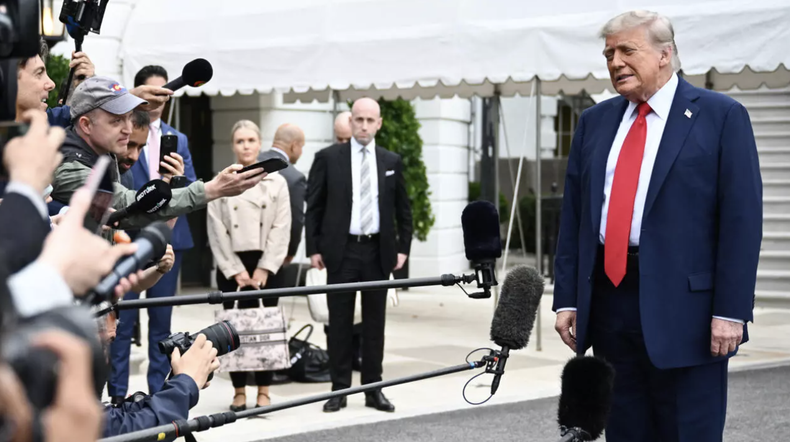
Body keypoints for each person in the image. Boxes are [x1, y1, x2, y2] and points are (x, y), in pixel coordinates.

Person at [552, 10, 762, 442]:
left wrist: (731, 310)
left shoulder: (721, 116)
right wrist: (567, 298)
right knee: (625, 430)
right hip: (610, 305)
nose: (614, 62)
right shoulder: (594, 122)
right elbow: (574, 218)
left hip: (690, 314)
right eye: (609, 53)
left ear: (665, 54)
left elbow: (742, 221)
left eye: (627, 50)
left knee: (687, 432)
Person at [49, 76, 268, 232]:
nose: (127, 129)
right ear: (86, 125)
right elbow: (125, 204)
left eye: (129, 117)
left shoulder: (102, 153)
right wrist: (214, 188)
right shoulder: (69, 167)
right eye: (117, 120)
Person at [306, 98, 413, 413]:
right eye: (359, 119)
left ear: (379, 123)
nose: (364, 125)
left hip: (378, 251)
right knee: (339, 323)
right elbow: (313, 207)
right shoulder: (328, 158)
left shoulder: (391, 160)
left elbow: (403, 209)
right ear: (350, 122)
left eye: (370, 120)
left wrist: (403, 248)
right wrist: (313, 248)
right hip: (342, 250)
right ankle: (339, 389)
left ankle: (373, 389)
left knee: (374, 324)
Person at [207, 120, 291, 411]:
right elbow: (215, 229)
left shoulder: (276, 181)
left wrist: (265, 268)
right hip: (234, 265)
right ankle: (239, 390)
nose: (246, 146)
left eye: (251, 140)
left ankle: (265, 390)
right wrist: (235, 270)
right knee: (235, 330)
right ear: (233, 145)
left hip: (266, 264)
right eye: (240, 140)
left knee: (265, 329)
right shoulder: (223, 180)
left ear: (260, 144)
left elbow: (282, 227)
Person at [257, 123, 307, 289]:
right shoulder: (294, 177)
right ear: (294, 145)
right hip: (274, 254)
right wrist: (290, 251)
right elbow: (296, 219)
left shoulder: (250, 164)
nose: (301, 152)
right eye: (302, 147)